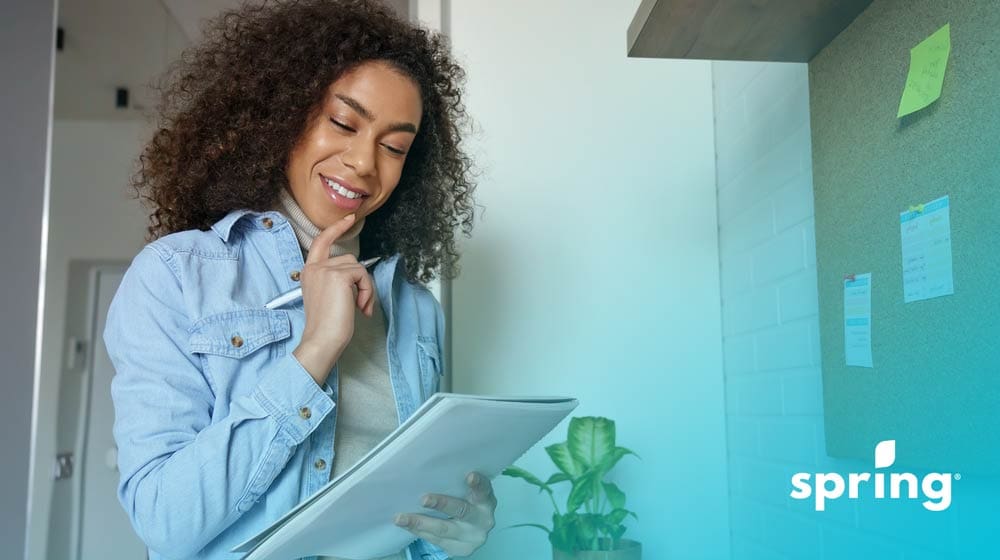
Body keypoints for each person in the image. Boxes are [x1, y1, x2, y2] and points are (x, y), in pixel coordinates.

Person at [103, 1, 493, 558]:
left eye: (394, 146)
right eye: (343, 123)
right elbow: (166, 521)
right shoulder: (177, 275)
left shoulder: (414, 308)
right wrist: (314, 351)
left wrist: (456, 534)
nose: (364, 162)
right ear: (283, 114)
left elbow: (407, 510)